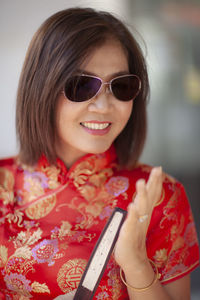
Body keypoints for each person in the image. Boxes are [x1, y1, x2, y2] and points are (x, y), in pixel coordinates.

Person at [0, 7, 199, 300]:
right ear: (42, 87)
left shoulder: (160, 197)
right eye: (82, 85)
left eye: (121, 86)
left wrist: (134, 262)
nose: (104, 106)